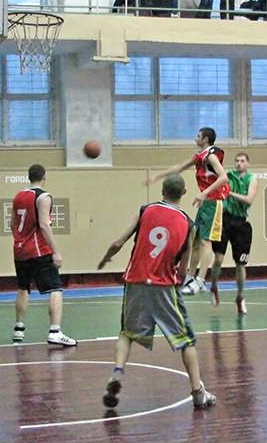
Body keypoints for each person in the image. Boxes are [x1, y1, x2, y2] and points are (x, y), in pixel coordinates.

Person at [97, 174, 216, 410]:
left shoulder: (145, 210)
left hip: (136, 281)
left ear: (162, 191)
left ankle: (117, 372)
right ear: (183, 193)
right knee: (186, 341)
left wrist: (105, 259)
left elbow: (118, 243)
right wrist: (180, 283)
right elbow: (183, 267)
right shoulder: (188, 223)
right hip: (164, 285)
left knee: (126, 333)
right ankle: (198, 393)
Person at [146, 127, 229, 296]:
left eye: (198, 135)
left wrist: (204, 193)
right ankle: (190, 277)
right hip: (206, 202)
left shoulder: (211, 156)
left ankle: (200, 280)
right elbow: (179, 167)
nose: (195, 137)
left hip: (214, 201)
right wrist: (158, 176)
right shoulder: (199, 156)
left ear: (205, 139)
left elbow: (223, 177)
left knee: (206, 242)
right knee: (196, 241)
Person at [11, 164, 77, 346]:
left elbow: (12, 223)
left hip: (19, 249)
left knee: (23, 288)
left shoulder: (18, 196)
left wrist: (20, 240)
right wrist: (55, 251)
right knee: (56, 288)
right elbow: (44, 225)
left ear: (28, 177)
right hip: (38, 249)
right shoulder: (43, 197)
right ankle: (55, 331)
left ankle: (18, 329)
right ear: (44, 177)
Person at [209, 152, 258, 313]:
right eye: (237, 161)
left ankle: (240, 297)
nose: (239, 163)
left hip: (241, 223)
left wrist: (229, 193)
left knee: (240, 263)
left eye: (242, 161)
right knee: (218, 259)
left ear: (247, 163)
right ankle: (214, 286)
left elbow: (249, 200)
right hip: (224, 220)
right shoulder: (227, 176)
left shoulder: (252, 179)